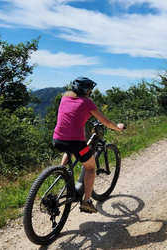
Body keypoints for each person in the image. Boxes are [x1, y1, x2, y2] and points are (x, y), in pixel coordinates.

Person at [53, 77, 125, 213]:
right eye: (90, 89)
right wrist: (118, 127)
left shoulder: (64, 97)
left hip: (57, 139)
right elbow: (106, 122)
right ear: (87, 90)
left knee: (69, 148)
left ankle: (61, 171)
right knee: (90, 167)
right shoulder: (87, 103)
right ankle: (86, 201)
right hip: (75, 143)